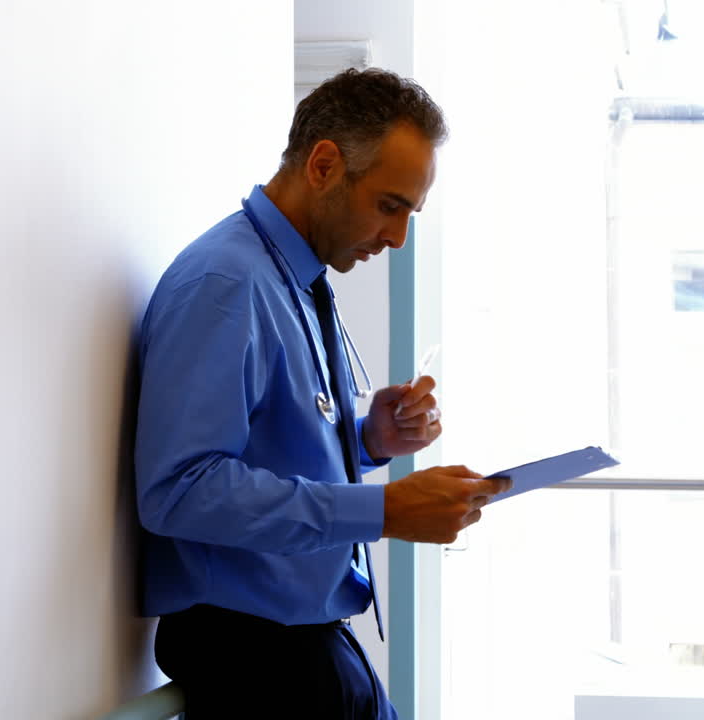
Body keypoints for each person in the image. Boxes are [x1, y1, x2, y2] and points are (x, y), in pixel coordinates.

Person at [133, 68, 511, 719]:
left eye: (410, 214)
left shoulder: (293, 278)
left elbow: (266, 447)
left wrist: (367, 440)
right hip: (257, 660)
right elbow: (180, 490)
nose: (397, 238)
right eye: (389, 206)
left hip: (308, 646)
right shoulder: (227, 284)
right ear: (325, 166)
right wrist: (382, 510)